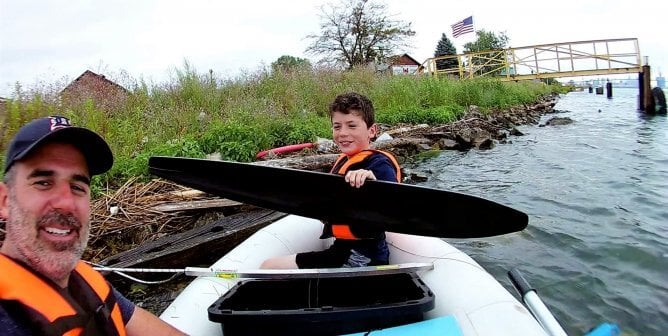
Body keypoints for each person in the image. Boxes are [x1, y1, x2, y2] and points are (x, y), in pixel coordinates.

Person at [0, 116, 186, 335]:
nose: (67, 203)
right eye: (43, 183)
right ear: (4, 201)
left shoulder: (86, 285)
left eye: (78, 186)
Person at [261, 92, 401, 269]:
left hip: (363, 258)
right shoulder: (343, 161)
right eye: (337, 127)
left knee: (268, 267)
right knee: (268, 265)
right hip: (342, 250)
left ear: (372, 131)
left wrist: (373, 183)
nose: (343, 133)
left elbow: (395, 204)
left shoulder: (378, 164)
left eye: (351, 126)